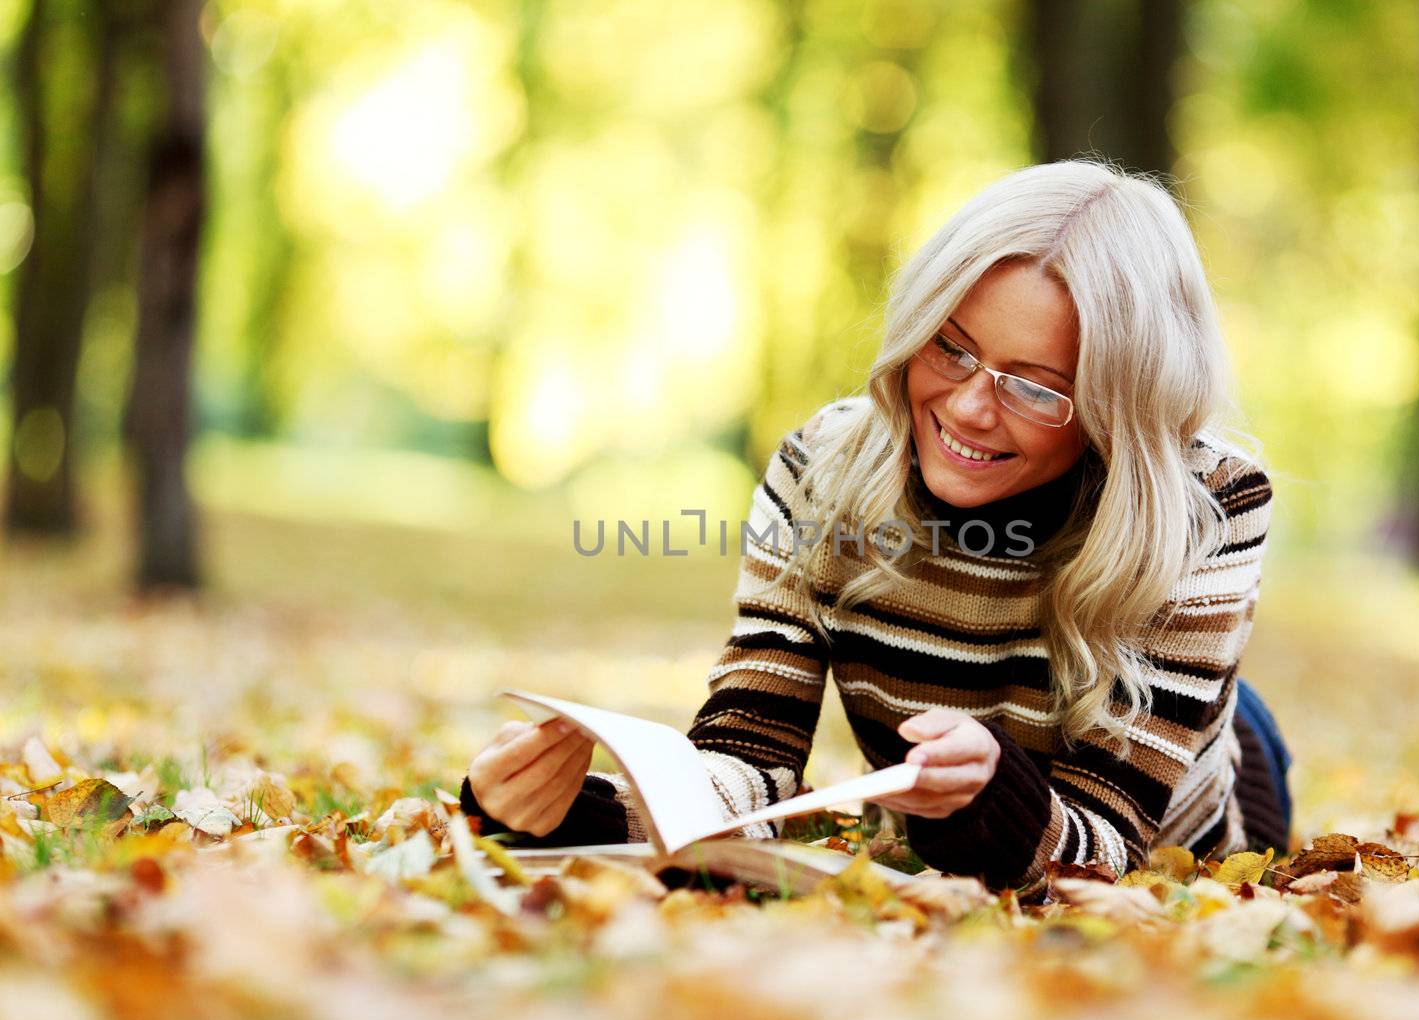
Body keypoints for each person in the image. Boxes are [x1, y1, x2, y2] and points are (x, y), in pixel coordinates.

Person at [460, 159, 1292, 896]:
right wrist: (564, 810)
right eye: (951, 348)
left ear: (1117, 405)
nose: (969, 408)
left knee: (1216, 743)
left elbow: (1109, 843)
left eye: (1035, 388)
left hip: (1192, 783)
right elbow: (751, 755)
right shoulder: (821, 468)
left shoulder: (1208, 505)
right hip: (985, 797)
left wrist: (992, 792)